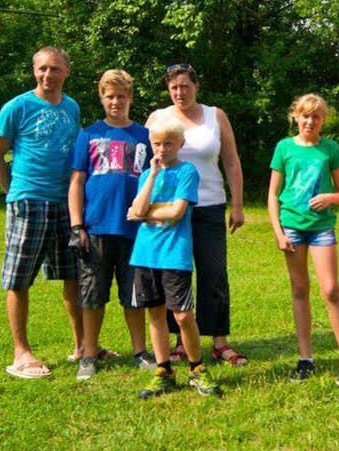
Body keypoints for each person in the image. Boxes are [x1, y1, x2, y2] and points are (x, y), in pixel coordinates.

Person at [0, 47, 84, 380]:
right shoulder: (17, 107)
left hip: (64, 204)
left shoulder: (72, 107)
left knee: (73, 276)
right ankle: (21, 352)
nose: (48, 75)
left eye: (55, 69)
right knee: (19, 277)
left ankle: (82, 346)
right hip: (28, 201)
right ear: (33, 71)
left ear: (66, 72)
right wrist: (14, 190)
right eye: (42, 69)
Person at [152, 64, 247, 365]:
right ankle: (181, 341)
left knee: (214, 274)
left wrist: (237, 204)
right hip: (171, 210)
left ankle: (220, 341)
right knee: (177, 275)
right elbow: (147, 165)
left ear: (197, 86)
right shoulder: (158, 118)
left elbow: (231, 161)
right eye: (174, 88)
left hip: (209, 205)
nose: (180, 92)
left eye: (185, 86)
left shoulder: (215, 116)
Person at [127, 112, 222, 399]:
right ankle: (164, 370)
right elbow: (136, 207)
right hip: (145, 255)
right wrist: (153, 175)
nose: (162, 149)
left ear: (180, 144)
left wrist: (145, 213)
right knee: (155, 313)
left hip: (174, 254)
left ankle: (196, 368)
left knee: (182, 315)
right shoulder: (147, 174)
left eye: (169, 143)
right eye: (157, 143)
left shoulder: (187, 172)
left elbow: (177, 212)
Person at [66, 69, 151, 380]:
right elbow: (76, 181)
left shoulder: (144, 136)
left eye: (121, 96)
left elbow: (155, 180)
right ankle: (89, 354)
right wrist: (78, 226)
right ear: (102, 98)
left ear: (130, 97)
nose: (116, 101)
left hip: (134, 229)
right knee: (92, 295)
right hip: (96, 228)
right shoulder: (88, 135)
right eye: (110, 96)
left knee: (134, 295)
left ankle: (140, 351)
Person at [267, 93, 339, 385]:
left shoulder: (330, 148)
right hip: (292, 227)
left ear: (323, 120)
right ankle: (306, 359)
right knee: (300, 290)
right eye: (305, 115)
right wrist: (278, 232)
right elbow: (272, 194)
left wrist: (330, 197)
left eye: (316, 116)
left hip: (321, 228)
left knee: (330, 289)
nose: (310, 121)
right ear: (296, 117)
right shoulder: (284, 147)